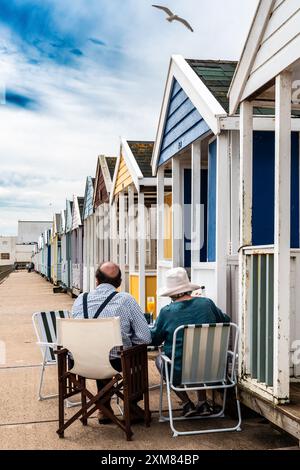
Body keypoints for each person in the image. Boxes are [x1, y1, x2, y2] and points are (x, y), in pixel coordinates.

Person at [72, 261, 151, 423]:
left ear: (96, 280)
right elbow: (145, 338)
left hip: (81, 362)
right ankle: (132, 407)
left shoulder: (81, 299)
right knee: (133, 353)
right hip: (116, 362)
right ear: (119, 282)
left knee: (98, 352)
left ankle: (103, 408)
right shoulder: (126, 300)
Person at [151, 267, 230, 418]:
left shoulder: (167, 312)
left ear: (171, 293)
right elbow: (225, 320)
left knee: (160, 359)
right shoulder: (206, 304)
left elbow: (155, 338)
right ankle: (203, 402)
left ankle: (187, 404)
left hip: (179, 372)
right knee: (198, 355)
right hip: (212, 369)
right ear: (188, 288)